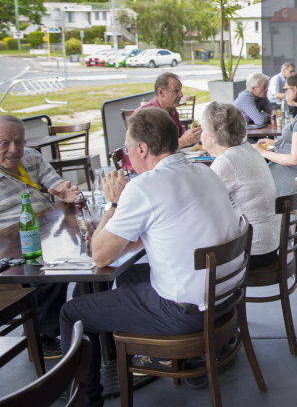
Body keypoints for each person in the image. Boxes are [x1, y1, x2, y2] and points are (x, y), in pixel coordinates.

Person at [58, 108, 241, 407]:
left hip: (187, 312)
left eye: (127, 149)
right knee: (128, 277)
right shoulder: (204, 171)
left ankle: (85, 402)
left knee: (72, 313)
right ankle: (174, 357)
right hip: (225, 295)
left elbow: (100, 256)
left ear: (142, 149)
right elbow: (168, 228)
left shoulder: (143, 188)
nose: (127, 156)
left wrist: (114, 204)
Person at [0, 115, 81, 359]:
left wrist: (65, 191)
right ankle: (43, 335)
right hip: (9, 243)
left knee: (81, 253)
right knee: (49, 268)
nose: (14, 150)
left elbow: (55, 182)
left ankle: (80, 311)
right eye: (4, 143)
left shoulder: (31, 157)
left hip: (46, 226)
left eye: (19, 142)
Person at [201, 102, 279, 267]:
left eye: (203, 130)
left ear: (213, 136)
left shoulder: (226, 161)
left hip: (254, 249)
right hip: (270, 242)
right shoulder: (249, 150)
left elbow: (203, 206)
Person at [135, 73, 202, 150]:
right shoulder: (143, 116)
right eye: (175, 91)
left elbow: (183, 137)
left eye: (180, 90)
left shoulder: (172, 111)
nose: (181, 95)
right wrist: (182, 142)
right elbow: (151, 152)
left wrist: (195, 135)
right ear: (161, 92)